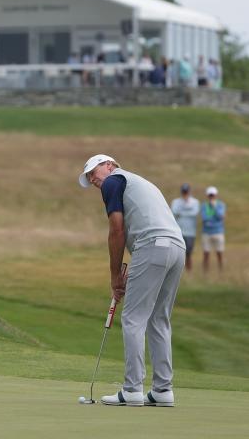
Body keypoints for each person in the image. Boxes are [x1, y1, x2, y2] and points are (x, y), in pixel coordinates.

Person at [79, 154, 185, 407]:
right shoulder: (141, 182)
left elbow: (117, 230)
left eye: (94, 171)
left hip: (152, 246)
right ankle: (162, 391)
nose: (93, 179)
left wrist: (115, 276)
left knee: (133, 318)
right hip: (176, 248)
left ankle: (132, 389)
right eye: (89, 177)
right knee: (158, 318)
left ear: (109, 165)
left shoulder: (113, 181)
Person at [170, 183, 200, 271]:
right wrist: (186, 207)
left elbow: (194, 213)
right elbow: (174, 212)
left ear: (189, 192)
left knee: (189, 253)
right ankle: (178, 270)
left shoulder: (195, 202)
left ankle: (188, 270)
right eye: (184, 192)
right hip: (179, 231)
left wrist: (182, 212)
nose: (185, 194)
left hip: (191, 232)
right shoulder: (176, 202)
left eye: (186, 192)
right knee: (179, 253)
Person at [200, 186, 226, 273]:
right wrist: (213, 219)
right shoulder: (204, 205)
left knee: (219, 253)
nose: (211, 197)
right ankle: (205, 272)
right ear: (207, 196)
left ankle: (221, 271)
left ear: (216, 195)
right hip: (206, 233)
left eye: (213, 195)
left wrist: (214, 207)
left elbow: (221, 216)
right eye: (210, 195)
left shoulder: (221, 205)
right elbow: (204, 218)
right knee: (206, 253)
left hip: (218, 232)